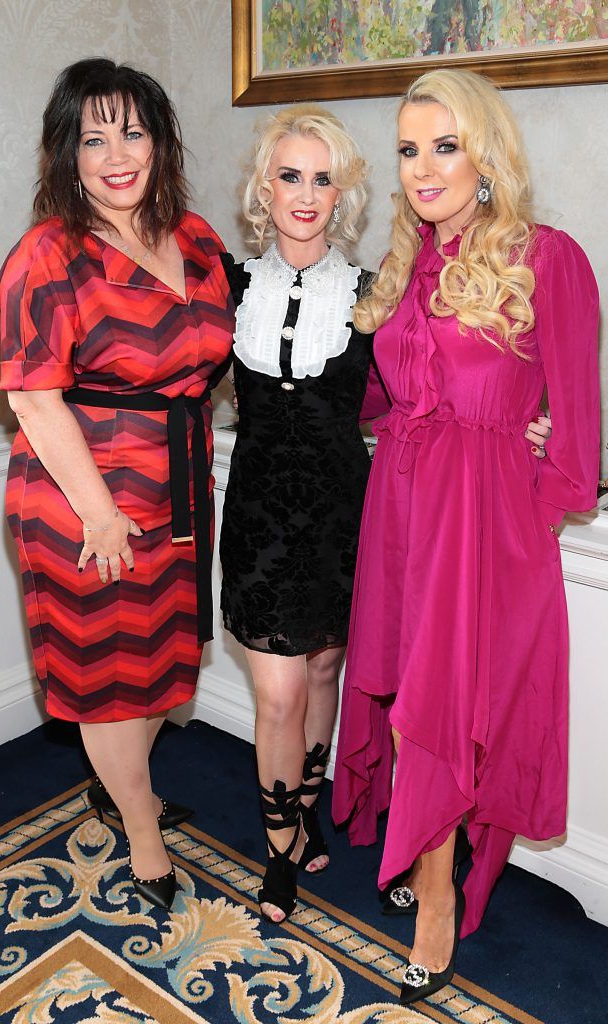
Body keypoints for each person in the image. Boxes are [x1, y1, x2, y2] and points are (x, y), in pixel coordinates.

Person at [332, 68, 599, 1004]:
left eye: (445, 145)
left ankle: (437, 900)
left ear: (486, 154)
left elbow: (578, 421)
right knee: (414, 699)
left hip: (487, 525)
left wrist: (536, 474)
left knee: (446, 714)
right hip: (402, 511)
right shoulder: (407, 265)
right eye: (409, 149)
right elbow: (383, 395)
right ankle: (426, 861)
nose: (424, 168)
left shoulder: (550, 257)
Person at [0, 58, 234, 911]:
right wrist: (100, 515)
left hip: (177, 492)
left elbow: (232, 353)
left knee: (155, 667)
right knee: (107, 680)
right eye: (91, 138)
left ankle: (120, 786)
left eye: (131, 131)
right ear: (66, 155)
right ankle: (140, 828)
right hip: (82, 503)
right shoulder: (49, 252)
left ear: (161, 140)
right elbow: (31, 393)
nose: (115, 154)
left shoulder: (199, 238)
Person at [219, 105, 383, 923]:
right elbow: (169, 373)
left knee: (323, 670)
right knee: (277, 693)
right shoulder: (231, 284)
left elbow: (428, 390)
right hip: (256, 514)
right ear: (265, 186)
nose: (307, 193)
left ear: (343, 190)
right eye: (291, 175)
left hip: (339, 516)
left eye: (324, 178)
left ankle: (307, 803)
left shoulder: (368, 293)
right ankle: (281, 844)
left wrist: (528, 425)